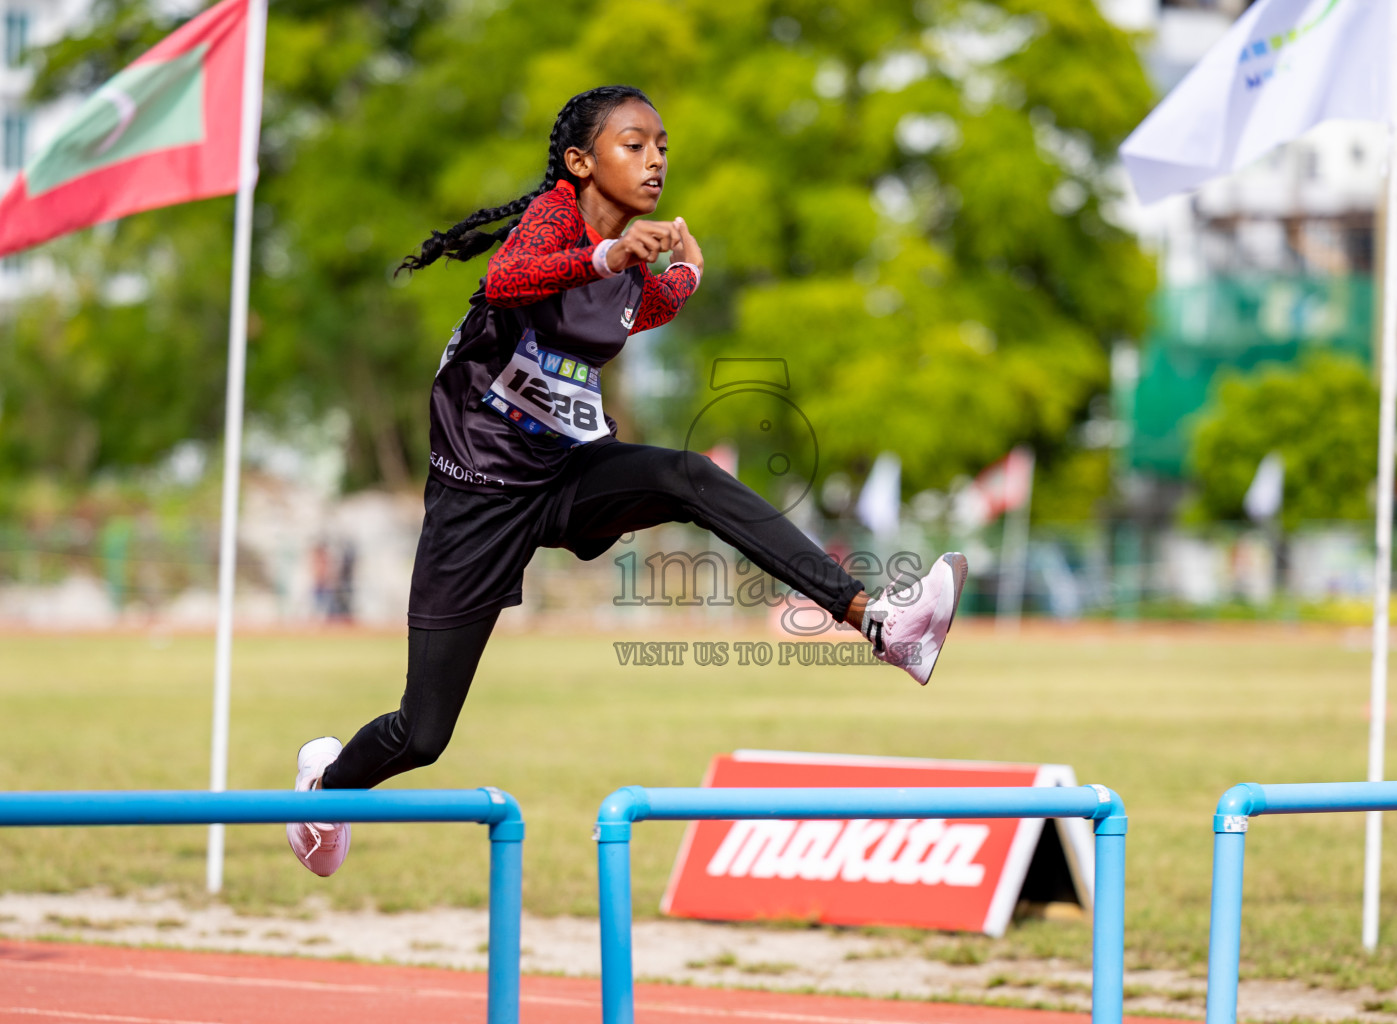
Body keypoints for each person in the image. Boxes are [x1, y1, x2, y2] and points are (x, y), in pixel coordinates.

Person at [286, 85, 968, 877]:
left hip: (567, 475)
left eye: (662, 147)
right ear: (580, 163)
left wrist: (686, 276)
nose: (654, 161)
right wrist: (611, 252)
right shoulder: (555, 219)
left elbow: (644, 307)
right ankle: (326, 790)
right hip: (476, 495)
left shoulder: (629, 273)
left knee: (689, 477)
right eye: (633, 145)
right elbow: (511, 279)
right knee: (424, 733)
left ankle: (883, 625)